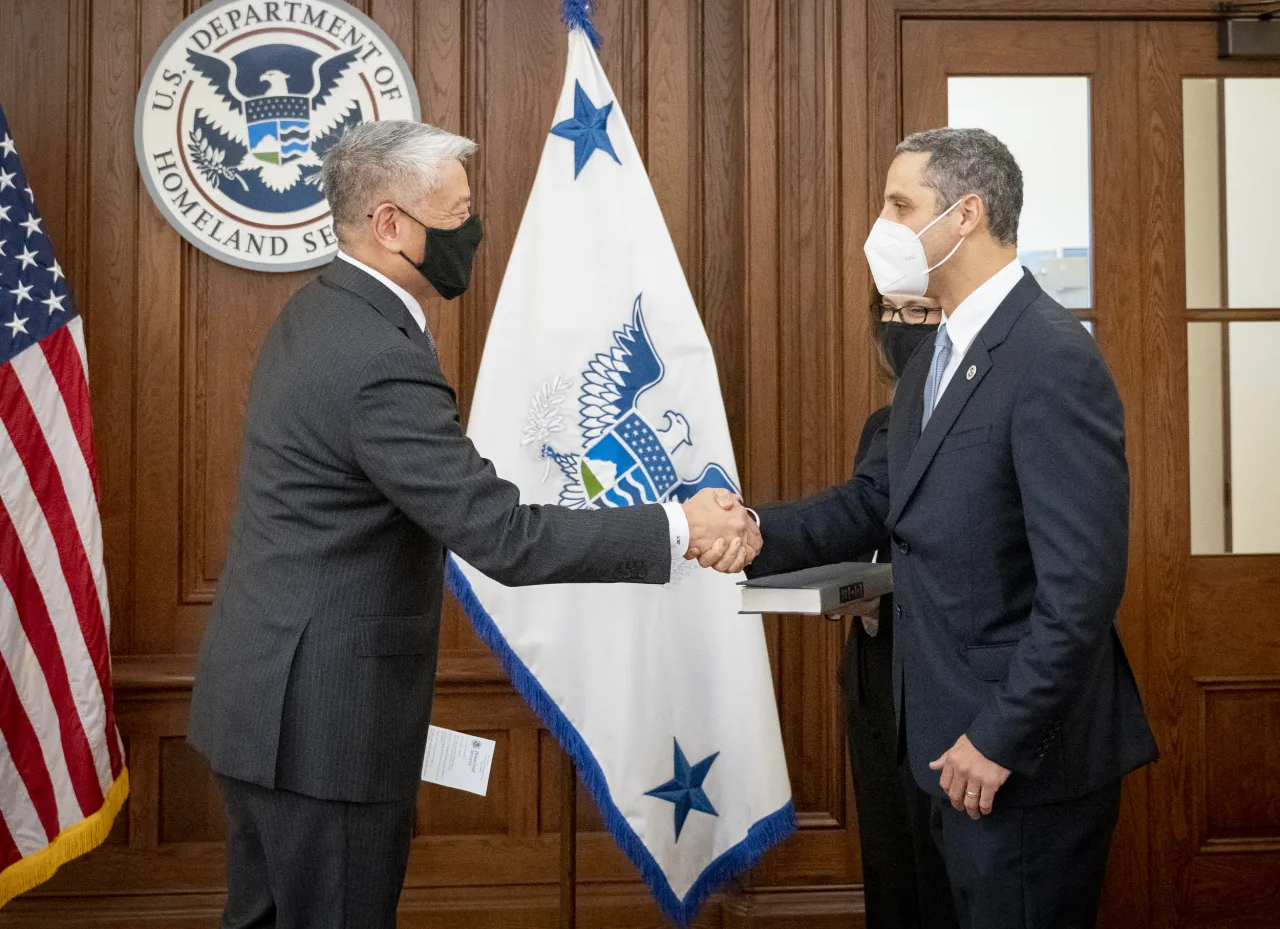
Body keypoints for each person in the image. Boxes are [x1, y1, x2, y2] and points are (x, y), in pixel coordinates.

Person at [187, 120, 759, 929]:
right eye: (456, 213)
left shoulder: (319, 313)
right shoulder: (375, 355)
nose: (472, 229)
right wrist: (676, 526)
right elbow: (501, 537)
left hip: (266, 703)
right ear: (391, 225)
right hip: (325, 726)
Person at [739, 128, 1158, 929]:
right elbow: (875, 505)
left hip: (1016, 760)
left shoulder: (1051, 357)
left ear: (965, 215)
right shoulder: (932, 362)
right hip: (934, 745)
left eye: (901, 205)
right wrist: (752, 527)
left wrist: (998, 738)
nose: (883, 225)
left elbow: (1082, 588)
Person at [838, 292, 957, 929]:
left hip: (946, 687)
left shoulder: (982, 420)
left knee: (945, 883)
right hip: (876, 677)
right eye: (892, 311)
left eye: (922, 313)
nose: (903, 328)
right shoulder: (882, 427)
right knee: (892, 875)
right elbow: (860, 526)